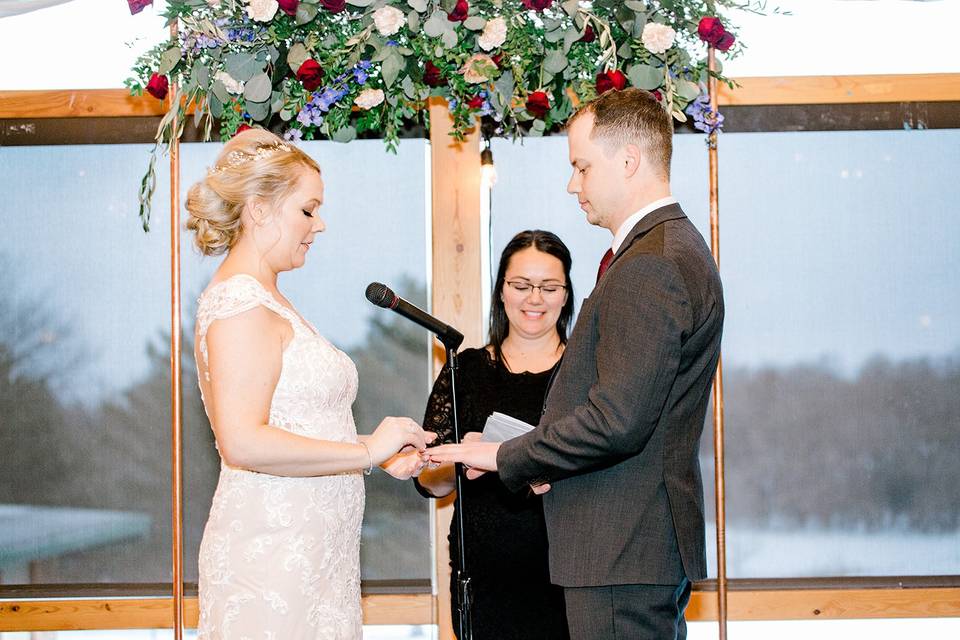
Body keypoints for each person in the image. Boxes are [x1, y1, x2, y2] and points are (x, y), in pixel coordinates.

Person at [427, 88, 725, 640]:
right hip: (626, 545)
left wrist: (509, 456)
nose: (573, 184)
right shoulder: (666, 249)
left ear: (629, 161)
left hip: (619, 546)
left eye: (582, 167)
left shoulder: (650, 265)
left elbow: (618, 420)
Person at [186, 128, 432, 639]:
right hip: (272, 562)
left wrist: (376, 450)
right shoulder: (240, 304)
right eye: (307, 209)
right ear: (258, 209)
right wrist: (364, 454)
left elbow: (293, 424)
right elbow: (244, 441)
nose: (319, 225)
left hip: (314, 562)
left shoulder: (267, 298)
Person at [415, 230, 573, 639]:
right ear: (501, 290)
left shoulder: (584, 373)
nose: (534, 299)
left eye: (549, 287)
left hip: (567, 573)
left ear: (567, 294)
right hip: (481, 575)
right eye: (521, 285)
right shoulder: (466, 369)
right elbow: (428, 481)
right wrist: (463, 459)